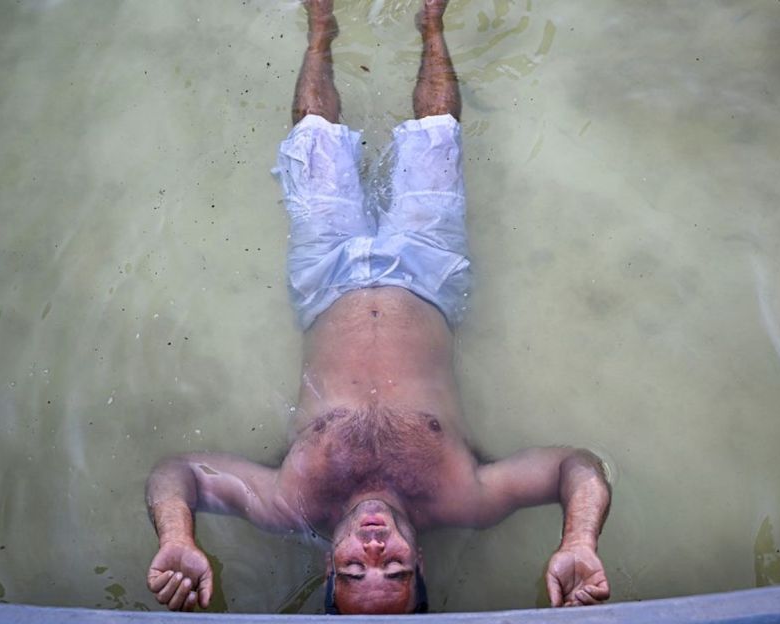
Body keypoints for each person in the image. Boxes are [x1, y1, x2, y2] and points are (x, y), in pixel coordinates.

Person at [144, 0, 611, 614]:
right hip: (428, 277)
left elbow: (179, 472)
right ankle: (432, 21)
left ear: (325, 564)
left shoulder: (290, 500)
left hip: (324, 282)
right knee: (438, 131)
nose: (373, 547)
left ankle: (319, 27)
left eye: (351, 569)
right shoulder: (459, 497)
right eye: (391, 566)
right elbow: (575, 466)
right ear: (419, 562)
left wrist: (178, 536)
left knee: (312, 133)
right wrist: (579, 539)